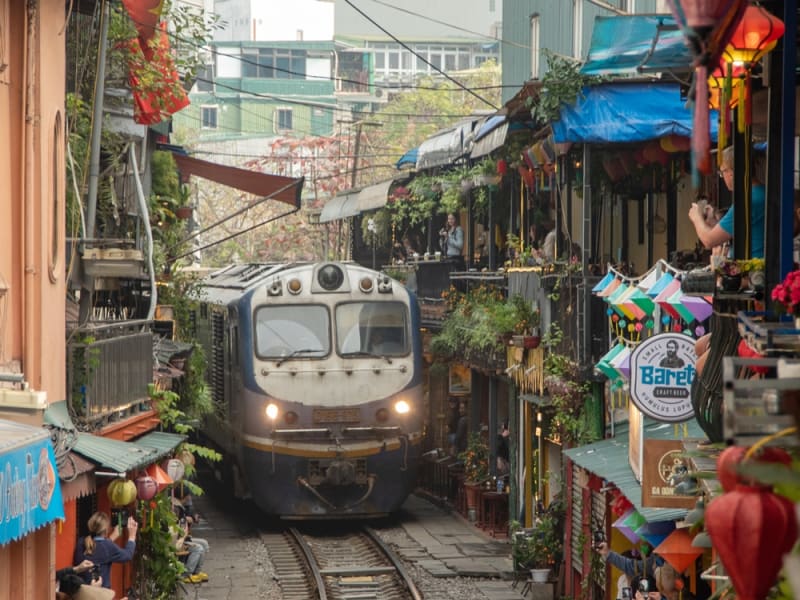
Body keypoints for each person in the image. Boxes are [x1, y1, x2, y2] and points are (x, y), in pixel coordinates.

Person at [688, 146, 765, 258]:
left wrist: (696, 217)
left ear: (731, 172)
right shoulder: (761, 192)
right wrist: (713, 222)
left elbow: (709, 241)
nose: (722, 177)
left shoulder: (746, 201)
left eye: (722, 172)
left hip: (754, 270)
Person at [74, 512, 137, 590]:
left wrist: (111, 538)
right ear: (106, 530)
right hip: (101, 593)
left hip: (83, 592)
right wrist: (132, 535)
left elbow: (98, 549)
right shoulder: (107, 546)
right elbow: (127, 555)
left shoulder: (81, 542)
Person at [173, 500, 210, 583]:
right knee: (198, 548)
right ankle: (186, 574)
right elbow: (181, 535)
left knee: (204, 543)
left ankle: (197, 571)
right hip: (178, 541)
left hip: (183, 539)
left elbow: (183, 532)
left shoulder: (182, 517)